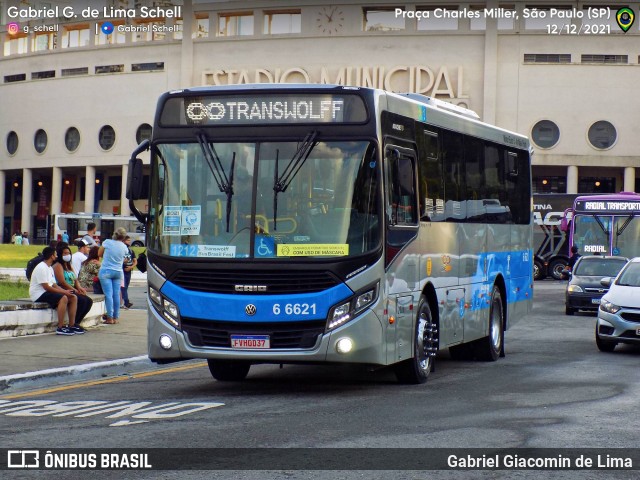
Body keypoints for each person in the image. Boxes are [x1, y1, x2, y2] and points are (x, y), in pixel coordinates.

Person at [28, 246, 81, 336]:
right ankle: (60, 327)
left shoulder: (49, 268)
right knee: (63, 298)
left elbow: (54, 285)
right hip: (38, 294)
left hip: (46, 292)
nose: (57, 256)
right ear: (52, 256)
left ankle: (72, 325)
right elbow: (46, 287)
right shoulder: (41, 267)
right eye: (55, 254)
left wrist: (67, 291)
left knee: (73, 297)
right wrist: (64, 292)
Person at [53, 243, 93, 330]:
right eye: (65, 253)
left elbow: (75, 279)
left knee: (88, 301)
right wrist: (74, 290)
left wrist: (79, 287)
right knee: (81, 300)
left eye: (69, 253)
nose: (67, 255)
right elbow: (62, 282)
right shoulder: (58, 266)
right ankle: (72, 323)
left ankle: (77, 322)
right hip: (65, 289)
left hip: (73, 288)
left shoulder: (68, 265)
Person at [98, 227, 129, 324]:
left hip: (106, 270)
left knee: (108, 295)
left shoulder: (107, 242)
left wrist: (107, 257)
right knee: (116, 295)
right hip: (118, 271)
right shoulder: (124, 247)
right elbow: (126, 259)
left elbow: (99, 253)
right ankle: (116, 317)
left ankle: (109, 317)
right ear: (123, 237)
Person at [121, 235, 137, 309]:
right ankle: (126, 302)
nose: (129, 242)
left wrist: (131, 267)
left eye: (129, 240)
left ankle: (125, 302)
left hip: (129, 271)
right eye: (127, 240)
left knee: (126, 287)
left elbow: (135, 261)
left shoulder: (130, 251)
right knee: (123, 287)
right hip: (122, 270)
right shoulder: (121, 250)